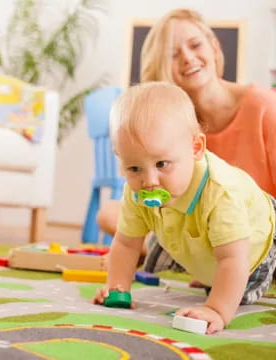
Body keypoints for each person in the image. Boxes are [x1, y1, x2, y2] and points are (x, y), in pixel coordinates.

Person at [97, 8, 276, 272]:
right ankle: (186, 257)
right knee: (111, 212)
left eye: (195, 45)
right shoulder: (168, 128)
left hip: (258, 232)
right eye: (173, 54)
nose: (188, 58)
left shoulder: (265, 106)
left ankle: (178, 256)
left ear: (214, 47)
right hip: (198, 231)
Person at [92, 82, 276, 334]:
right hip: (188, 234)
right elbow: (126, 243)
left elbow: (235, 259)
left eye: (162, 164)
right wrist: (117, 287)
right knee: (188, 261)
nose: (149, 182)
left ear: (196, 148)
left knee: (235, 289)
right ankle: (208, 270)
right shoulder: (136, 192)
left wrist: (217, 310)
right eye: (134, 168)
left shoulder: (220, 192)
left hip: (258, 243)